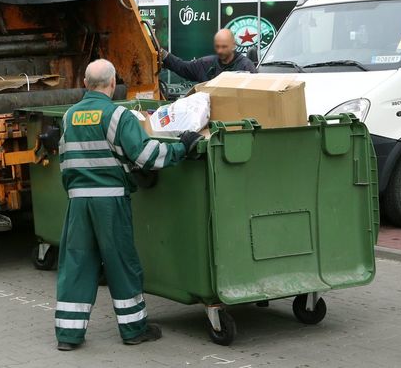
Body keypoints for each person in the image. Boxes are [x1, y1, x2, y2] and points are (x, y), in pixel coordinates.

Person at [54, 59, 202, 351]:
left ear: (85, 84)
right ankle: (134, 329)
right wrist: (182, 147)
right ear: (112, 84)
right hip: (109, 201)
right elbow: (146, 156)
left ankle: (68, 335)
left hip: (78, 201)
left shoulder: (69, 116)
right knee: (122, 263)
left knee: (76, 264)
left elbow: (64, 160)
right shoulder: (116, 115)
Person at [162, 28, 256, 82]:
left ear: (233, 45)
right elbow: (182, 67)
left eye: (224, 47)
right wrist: (163, 55)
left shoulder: (246, 67)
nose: (220, 50)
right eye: (217, 46)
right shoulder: (205, 64)